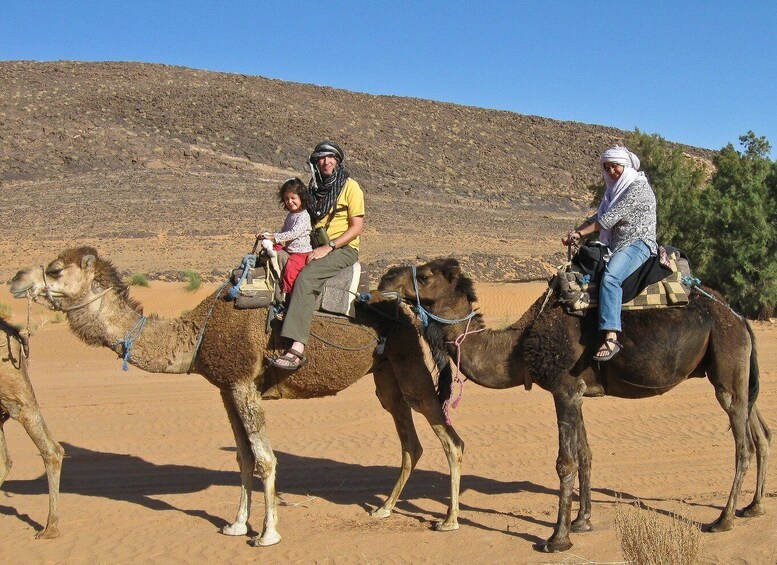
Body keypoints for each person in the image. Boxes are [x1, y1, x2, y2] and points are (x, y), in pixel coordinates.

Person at [269, 140, 364, 370]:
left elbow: (356, 228)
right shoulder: (314, 188)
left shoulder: (351, 187)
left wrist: (329, 247)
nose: (326, 161)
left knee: (307, 277)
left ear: (338, 161)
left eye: (331, 157)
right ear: (316, 162)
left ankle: (297, 347)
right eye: (322, 158)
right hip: (314, 245)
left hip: (342, 249)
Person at [561, 145, 657, 362]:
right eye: (607, 167)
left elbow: (607, 220)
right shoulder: (613, 192)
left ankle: (611, 336)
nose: (612, 171)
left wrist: (580, 234)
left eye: (615, 166)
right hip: (616, 245)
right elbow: (598, 215)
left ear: (625, 165)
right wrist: (577, 232)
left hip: (638, 244)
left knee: (611, 278)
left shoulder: (637, 188)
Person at [260, 177, 313, 295]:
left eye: (293, 198)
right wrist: (269, 237)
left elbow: (293, 233)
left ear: (301, 198)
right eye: (286, 199)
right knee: (271, 251)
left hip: (301, 253)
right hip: (289, 249)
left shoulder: (304, 216)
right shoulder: (291, 215)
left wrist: (273, 237)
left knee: (290, 271)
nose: (290, 202)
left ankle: (288, 296)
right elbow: (284, 230)